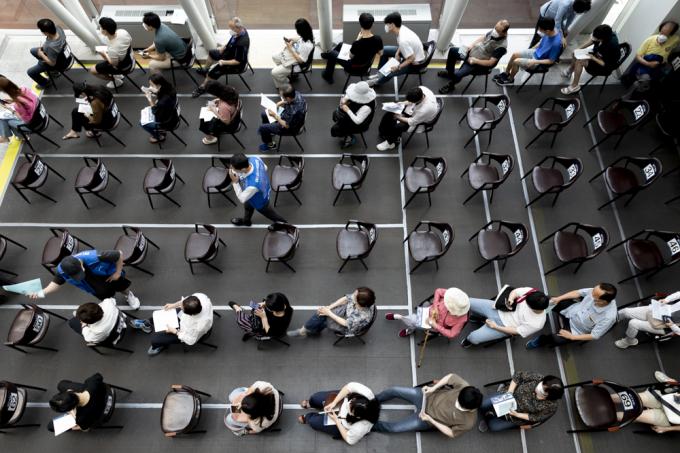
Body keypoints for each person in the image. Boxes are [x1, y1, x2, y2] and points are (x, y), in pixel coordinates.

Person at [374, 374, 482, 436]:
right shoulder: (465, 387)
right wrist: (433, 388)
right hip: (426, 396)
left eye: (460, 406)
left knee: (394, 428)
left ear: (471, 409)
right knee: (394, 390)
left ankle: (371, 425)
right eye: (458, 400)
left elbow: (451, 433)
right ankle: (372, 400)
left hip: (426, 419)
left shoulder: (468, 423)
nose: (456, 404)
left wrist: (431, 420)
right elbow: (450, 377)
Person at [29, 250, 140, 309]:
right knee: (105, 297)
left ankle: (128, 295)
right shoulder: (62, 270)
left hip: (108, 275)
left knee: (121, 287)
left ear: (80, 263)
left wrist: (118, 272)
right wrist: (42, 292)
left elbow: (118, 254)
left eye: (79, 272)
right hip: (93, 287)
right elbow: (56, 282)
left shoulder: (94, 257)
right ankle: (111, 305)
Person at [525, 283, 618, 349]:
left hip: (575, 329)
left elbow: (595, 335)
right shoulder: (595, 292)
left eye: (594, 295)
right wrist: (559, 298)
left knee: (557, 339)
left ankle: (541, 340)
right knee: (549, 301)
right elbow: (578, 293)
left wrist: (572, 337)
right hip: (571, 310)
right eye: (593, 291)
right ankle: (540, 316)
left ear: (603, 301)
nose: (591, 293)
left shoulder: (609, 317)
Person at [438, 19, 510, 94]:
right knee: (452, 51)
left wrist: (475, 61)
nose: (494, 31)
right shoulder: (495, 32)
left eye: (497, 31)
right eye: (495, 28)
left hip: (478, 63)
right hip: (472, 52)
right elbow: (483, 37)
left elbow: (491, 63)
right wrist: (471, 46)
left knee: (459, 74)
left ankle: (451, 85)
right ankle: (450, 73)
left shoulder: (502, 47)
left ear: (504, 33)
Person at [461, 287, 549, 347]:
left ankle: (469, 340)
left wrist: (495, 327)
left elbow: (517, 331)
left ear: (534, 308)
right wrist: (511, 299)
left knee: (473, 338)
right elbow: (515, 292)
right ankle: (478, 318)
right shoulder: (533, 293)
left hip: (503, 326)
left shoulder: (537, 324)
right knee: (467, 302)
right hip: (498, 309)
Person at [131, 293, 213, 356]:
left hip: (186, 332)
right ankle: (147, 324)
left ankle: (161, 345)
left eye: (182, 308)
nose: (180, 307)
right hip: (184, 321)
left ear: (190, 314)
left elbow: (190, 340)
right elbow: (183, 301)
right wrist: (173, 305)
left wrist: (175, 331)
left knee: (155, 340)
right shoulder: (199, 297)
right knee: (161, 314)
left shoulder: (200, 326)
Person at [478, 372, 564, 432]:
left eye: (543, 391)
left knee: (493, 426)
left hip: (514, 416)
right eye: (541, 384)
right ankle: (492, 410)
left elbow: (536, 417)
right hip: (509, 395)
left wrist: (517, 415)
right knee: (482, 405)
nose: (539, 387)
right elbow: (518, 376)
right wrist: (510, 392)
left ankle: (491, 415)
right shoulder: (538, 377)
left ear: (549, 396)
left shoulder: (551, 406)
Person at [299, 382, 380, 445]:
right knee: (315, 398)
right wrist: (334, 402)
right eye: (351, 401)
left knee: (313, 422)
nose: (348, 405)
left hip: (342, 423)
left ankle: (308, 418)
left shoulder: (362, 427)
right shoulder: (367, 393)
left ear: (357, 417)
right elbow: (348, 387)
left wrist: (336, 421)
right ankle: (311, 403)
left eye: (350, 410)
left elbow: (349, 440)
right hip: (341, 400)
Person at [494, 17, 563, 86]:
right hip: (536, 52)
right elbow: (542, 40)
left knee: (516, 61)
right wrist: (532, 48)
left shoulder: (556, 44)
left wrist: (534, 61)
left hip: (539, 62)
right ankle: (506, 73)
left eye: (540, 29)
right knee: (515, 54)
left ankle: (510, 80)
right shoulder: (552, 29)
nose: (539, 30)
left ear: (547, 31)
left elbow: (551, 61)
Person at [192, 17, 250, 98]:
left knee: (212, 73)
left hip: (235, 65)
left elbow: (238, 61)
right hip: (229, 54)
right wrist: (224, 46)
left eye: (232, 28)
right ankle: (205, 70)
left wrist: (223, 62)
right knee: (212, 53)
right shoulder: (239, 32)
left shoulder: (242, 43)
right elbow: (232, 41)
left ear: (238, 28)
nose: (230, 30)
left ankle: (203, 87)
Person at [321, 12, 383, 84]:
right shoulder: (378, 39)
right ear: (372, 24)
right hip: (366, 65)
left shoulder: (357, 43)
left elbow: (351, 56)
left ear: (360, 24)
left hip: (354, 67)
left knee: (332, 54)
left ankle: (327, 74)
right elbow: (380, 53)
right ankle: (328, 58)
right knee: (341, 44)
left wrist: (357, 39)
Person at [288, 287, 376, 338]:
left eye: (355, 296)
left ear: (359, 303)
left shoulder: (361, 316)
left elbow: (346, 323)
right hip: (348, 312)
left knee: (323, 318)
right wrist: (329, 307)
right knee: (321, 313)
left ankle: (305, 330)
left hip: (348, 326)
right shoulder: (362, 300)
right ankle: (309, 329)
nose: (352, 295)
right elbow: (346, 299)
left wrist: (329, 313)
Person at [368, 12, 425, 87]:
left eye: (387, 24)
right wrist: (397, 53)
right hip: (410, 53)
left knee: (390, 71)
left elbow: (412, 58)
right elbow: (403, 45)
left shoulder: (403, 40)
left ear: (392, 25)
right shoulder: (401, 28)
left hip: (415, 63)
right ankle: (380, 74)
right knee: (384, 50)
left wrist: (398, 67)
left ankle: (377, 82)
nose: (386, 26)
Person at [228, 153, 288, 226]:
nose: (233, 171)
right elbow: (265, 167)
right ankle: (246, 221)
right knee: (248, 208)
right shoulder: (255, 158)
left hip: (260, 201)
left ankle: (285, 225)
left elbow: (242, 198)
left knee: (272, 215)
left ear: (243, 169)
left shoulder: (253, 185)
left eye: (235, 170)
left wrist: (235, 182)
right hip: (250, 195)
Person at [385, 287, 469, 338]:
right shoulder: (454, 296)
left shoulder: (462, 319)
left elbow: (452, 334)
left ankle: (401, 319)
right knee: (418, 314)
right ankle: (408, 325)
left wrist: (435, 325)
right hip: (429, 309)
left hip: (434, 325)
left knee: (413, 320)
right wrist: (435, 307)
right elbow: (438, 291)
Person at [560, 24, 620, 94]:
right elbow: (592, 41)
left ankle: (574, 86)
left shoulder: (611, 46)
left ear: (602, 39)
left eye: (596, 38)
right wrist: (578, 49)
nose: (594, 38)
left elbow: (605, 64)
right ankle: (570, 70)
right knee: (575, 53)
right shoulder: (604, 33)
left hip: (603, 66)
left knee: (580, 61)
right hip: (597, 55)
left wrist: (593, 58)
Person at [376, 85, 437, 151]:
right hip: (415, 111)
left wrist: (398, 117)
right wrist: (402, 103)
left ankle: (392, 142)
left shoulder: (425, 109)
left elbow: (412, 121)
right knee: (392, 110)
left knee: (398, 127)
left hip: (420, 121)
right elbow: (410, 102)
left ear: (417, 101)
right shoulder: (421, 89)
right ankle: (383, 131)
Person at [615, 290, 680, 349]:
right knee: (626, 311)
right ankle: (613, 320)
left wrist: (671, 325)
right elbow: (678, 294)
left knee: (633, 323)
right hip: (661, 310)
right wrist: (666, 300)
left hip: (665, 326)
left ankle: (629, 341)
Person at [622, 21, 680, 86]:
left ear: (670, 35)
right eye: (661, 33)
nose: (662, 36)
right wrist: (649, 64)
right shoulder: (650, 40)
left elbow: (677, 40)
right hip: (646, 63)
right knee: (644, 79)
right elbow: (637, 56)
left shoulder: (674, 40)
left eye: (665, 35)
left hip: (659, 66)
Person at [257, 85, 306, 151]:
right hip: (286, 114)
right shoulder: (295, 94)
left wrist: (275, 116)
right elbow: (286, 102)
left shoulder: (295, 111)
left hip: (289, 127)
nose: (282, 98)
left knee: (262, 128)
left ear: (288, 98)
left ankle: (270, 145)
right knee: (264, 114)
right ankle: (269, 132)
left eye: (282, 97)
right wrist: (278, 104)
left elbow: (287, 125)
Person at [229, 292, 293, 342]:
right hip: (265, 319)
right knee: (255, 308)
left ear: (274, 309)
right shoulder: (285, 305)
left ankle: (238, 309)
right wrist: (264, 303)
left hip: (269, 331)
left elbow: (269, 332)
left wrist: (263, 317)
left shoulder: (279, 322)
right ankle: (249, 320)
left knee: (241, 320)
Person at [271, 18, 315, 89]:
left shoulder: (307, 45)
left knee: (274, 72)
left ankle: (285, 82)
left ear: (301, 31)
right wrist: (292, 39)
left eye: (297, 30)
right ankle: (283, 74)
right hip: (294, 56)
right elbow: (299, 39)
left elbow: (301, 61)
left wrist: (290, 48)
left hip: (298, 65)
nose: (296, 31)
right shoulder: (307, 35)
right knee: (274, 57)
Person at [331, 81, 376, 148]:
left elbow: (358, 121)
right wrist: (345, 99)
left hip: (359, 124)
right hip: (354, 113)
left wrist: (347, 110)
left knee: (336, 129)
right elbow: (349, 95)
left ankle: (350, 137)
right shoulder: (360, 92)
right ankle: (344, 131)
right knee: (336, 114)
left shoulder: (367, 107)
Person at [91, 17, 132, 89]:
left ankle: (115, 80)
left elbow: (114, 64)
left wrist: (105, 54)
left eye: (100, 27)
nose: (100, 28)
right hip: (130, 57)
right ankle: (117, 75)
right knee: (100, 49)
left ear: (105, 31)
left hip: (123, 66)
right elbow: (130, 41)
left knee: (92, 70)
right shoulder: (123, 32)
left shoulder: (112, 49)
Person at [27, 18, 67, 89]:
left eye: (41, 30)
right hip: (61, 54)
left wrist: (42, 54)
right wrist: (44, 48)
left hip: (57, 63)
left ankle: (46, 82)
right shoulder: (58, 28)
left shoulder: (50, 46)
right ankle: (50, 71)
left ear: (46, 33)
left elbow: (52, 63)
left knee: (30, 72)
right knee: (33, 50)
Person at [140, 72, 177, 143]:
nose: (150, 87)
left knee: (142, 123)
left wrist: (149, 99)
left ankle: (159, 136)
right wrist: (155, 92)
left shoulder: (162, 102)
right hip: (173, 113)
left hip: (168, 122)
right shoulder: (170, 88)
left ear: (159, 85)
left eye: (152, 85)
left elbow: (155, 111)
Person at [0, 75, 39, 143]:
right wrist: (13, 101)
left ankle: (5, 138)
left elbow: (25, 120)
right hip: (40, 115)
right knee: (5, 118)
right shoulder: (24, 89)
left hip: (34, 125)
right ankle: (19, 137)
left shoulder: (18, 105)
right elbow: (27, 102)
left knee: (7, 120)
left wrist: (12, 110)